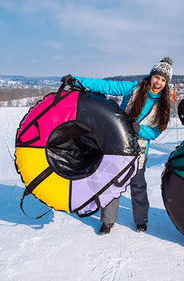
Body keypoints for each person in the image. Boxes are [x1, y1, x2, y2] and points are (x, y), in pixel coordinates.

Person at [67, 57, 173, 235]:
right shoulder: (134, 88)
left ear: (166, 83)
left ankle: (141, 220)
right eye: (157, 77)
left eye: (163, 80)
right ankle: (108, 220)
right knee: (111, 181)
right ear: (151, 75)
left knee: (138, 184)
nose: (158, 82)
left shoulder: (163, 104)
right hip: (118, 141)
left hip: (139, 148)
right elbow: (107, 87)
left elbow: (156, 132)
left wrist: (140, 129)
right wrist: (78, 81)